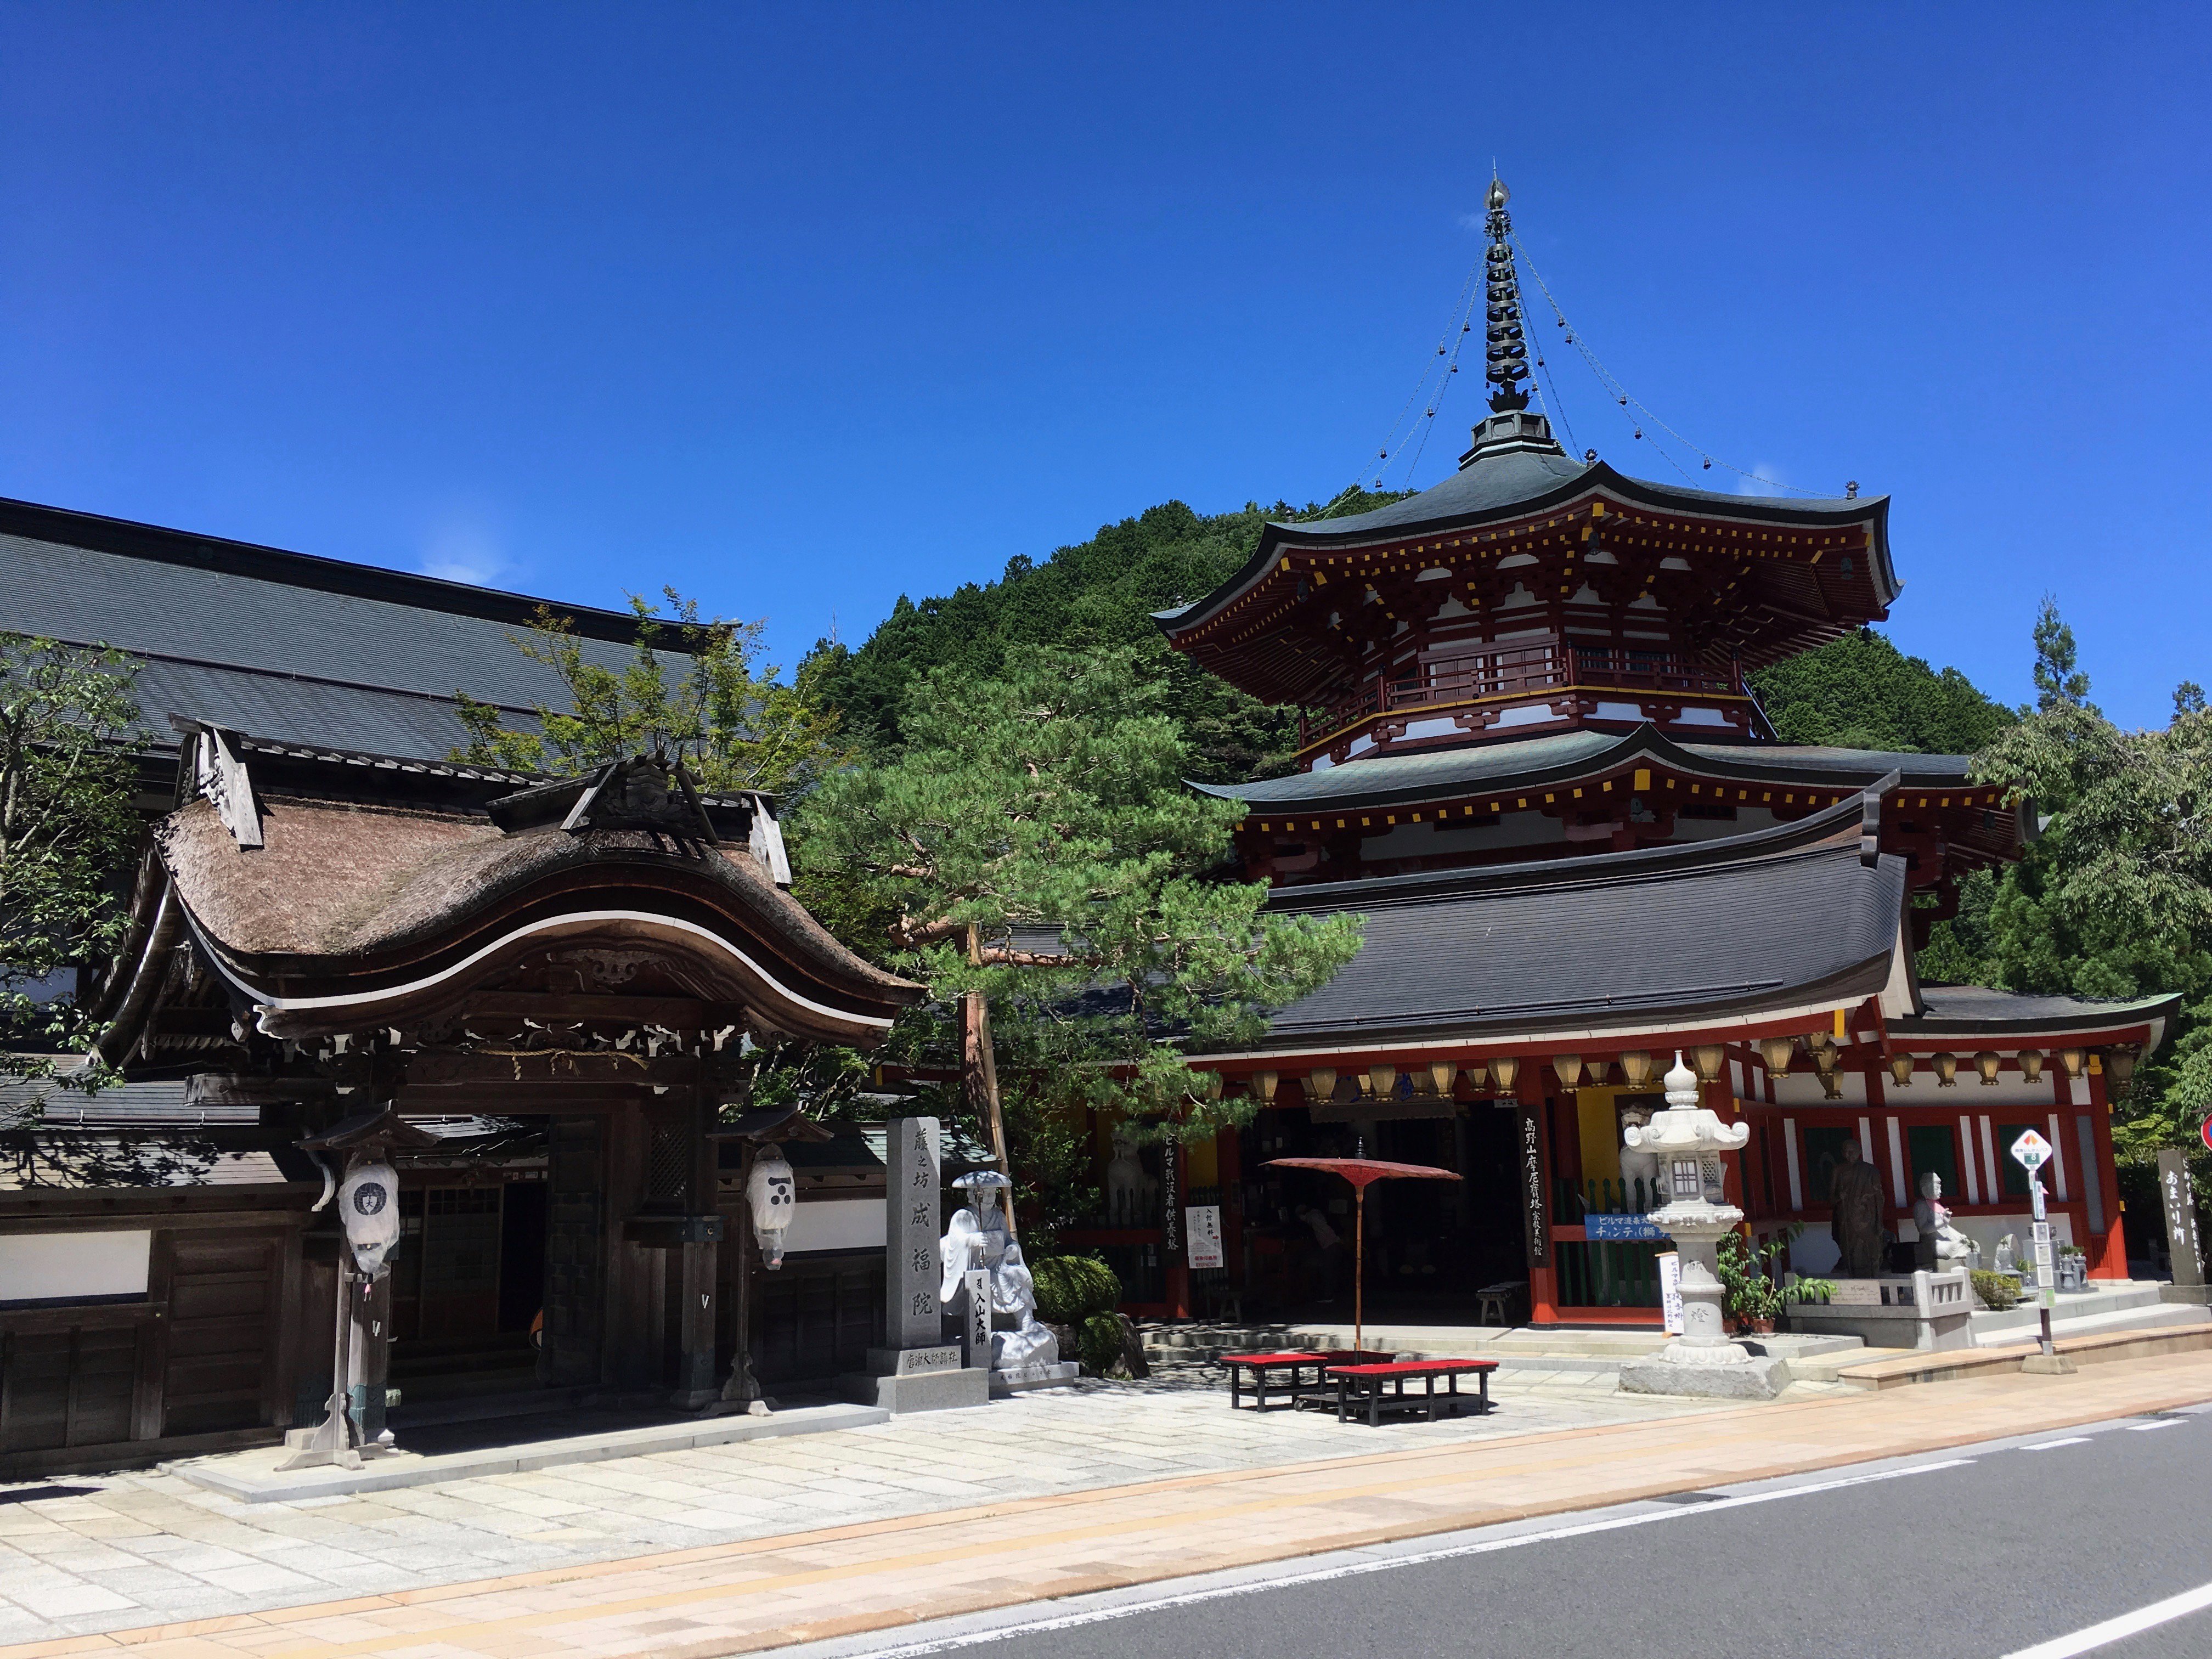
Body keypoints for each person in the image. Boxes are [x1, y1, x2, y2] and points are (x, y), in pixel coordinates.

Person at [1827, 1137, 1887, 1278]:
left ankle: (1873, 1276)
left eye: (1853, 1151)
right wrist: (1839, 1197)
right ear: (1843, 1153)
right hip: (1846, 1217)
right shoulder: (1838, 1171)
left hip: (1866, 1216)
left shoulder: (1870, 1171)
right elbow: (1831, 1199)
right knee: (1849, 1250)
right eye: (1847, 1152)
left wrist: (1879, 1220)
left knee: (1871, 1248)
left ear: (1860, 1152)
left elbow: (1879, 1197)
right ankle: (1853, 1277)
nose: (1850, 1155)